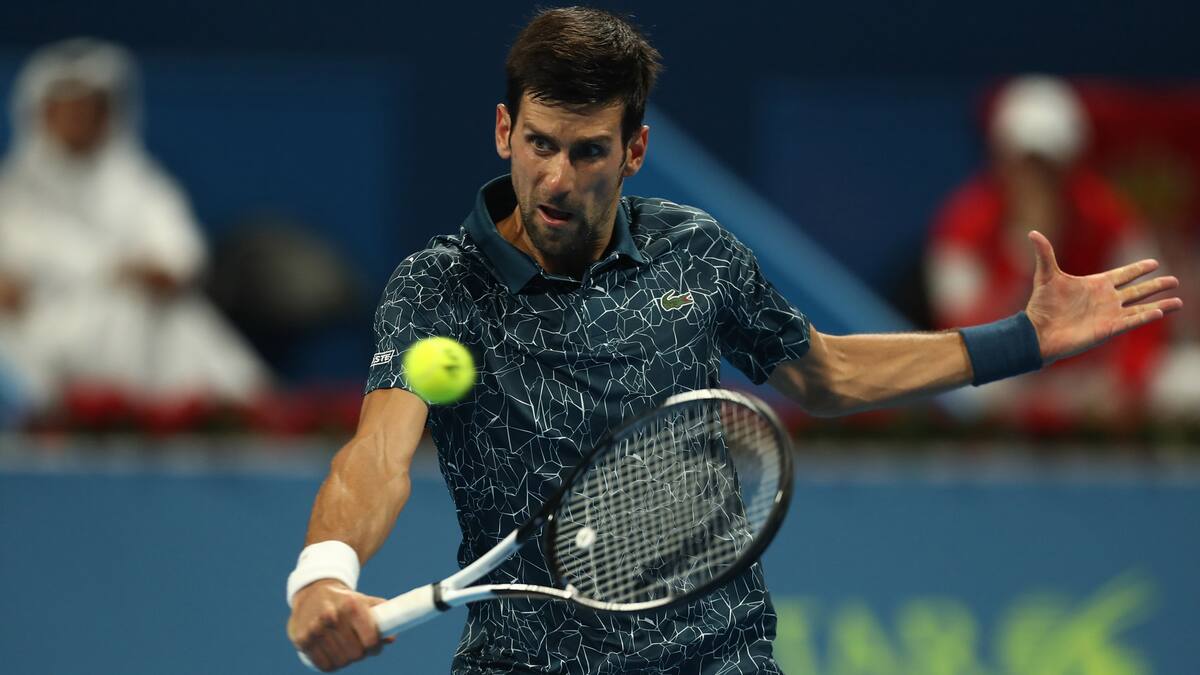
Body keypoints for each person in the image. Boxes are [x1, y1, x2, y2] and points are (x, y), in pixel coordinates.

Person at [285, 9, 1181, 674]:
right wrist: (324, 574)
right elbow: (377, 456)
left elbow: (826, 373)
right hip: (523, 660)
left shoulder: (697, 252)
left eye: (588, 151)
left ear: (634, 150)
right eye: (540, 144)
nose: (556, 178)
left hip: (715, 655)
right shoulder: (438, 287)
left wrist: (1022, 338)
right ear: (503, 131)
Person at [0, 38, 269, 415]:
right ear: (42, 115)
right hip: (39, 329)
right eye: (67, 109)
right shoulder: (11, 191)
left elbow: (179, 256)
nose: (77, 120)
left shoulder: (140, 185)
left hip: (131, 326)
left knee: (160, 323)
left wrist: (150, 273)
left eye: (88, 110)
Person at [925, 76, 1167, 425]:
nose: (1036, 181)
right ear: (1001, 161)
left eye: (1048, 167)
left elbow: (1147, 311)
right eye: (1026, 165)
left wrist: (1126, 381)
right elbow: (964, 331)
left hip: (1087, 378)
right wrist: (1022, 254)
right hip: (1006, 381)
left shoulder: (1109, 218)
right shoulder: (965, 225)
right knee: (961, 389)